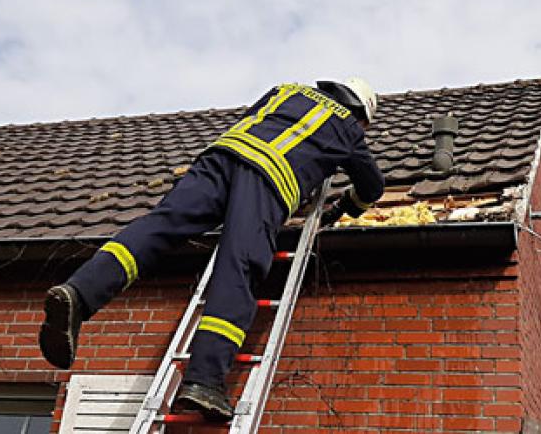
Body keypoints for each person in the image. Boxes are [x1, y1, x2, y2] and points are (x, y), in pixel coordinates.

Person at [38, 79, 385, 421]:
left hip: (217, 160)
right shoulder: (347, 127)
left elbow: (256, 120)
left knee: (158, 227)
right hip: (267, 179)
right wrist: (346, 207)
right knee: (240, 267)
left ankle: (79, 295)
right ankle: (203, 380)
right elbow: (372, 186)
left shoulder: (288, 89)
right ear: (361, 115)